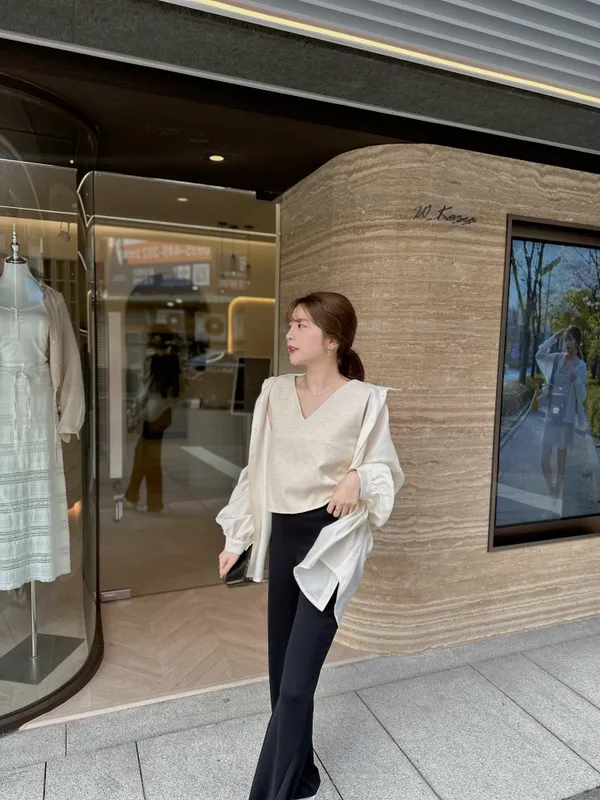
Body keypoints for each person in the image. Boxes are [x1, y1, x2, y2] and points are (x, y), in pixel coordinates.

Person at [216, 291, 404, 800]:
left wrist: (357, 479)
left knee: (298, 682)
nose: (290, 334)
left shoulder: (366, 399)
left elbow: (385, 470)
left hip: (331, 545)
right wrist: (238, 536)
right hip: (284, 539)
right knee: (282, 676)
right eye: (291, 324)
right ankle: (301, 776)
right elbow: (258, 469)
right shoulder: (274, 392)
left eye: (301, 325)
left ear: (333, 338)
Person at [125, 326, 180, 513]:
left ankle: (135, 497)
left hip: (152, 414)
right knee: (148, 457)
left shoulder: (153, 361)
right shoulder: (173, 362)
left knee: (144, 457)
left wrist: (134, 413)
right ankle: (149, 501)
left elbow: (145, 391)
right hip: (163, 414)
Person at [536, 325, 587, 509]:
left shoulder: (581, 366)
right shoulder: (557, 358)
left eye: (570, 339)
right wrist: (553, 338)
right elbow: (539, 354)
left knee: (561, 464)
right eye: (566, 339)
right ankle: (552, 490)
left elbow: (582, 396)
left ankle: (555, 496)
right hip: (551, 416)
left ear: (577, 343)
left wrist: (577, 380)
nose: (567, 343)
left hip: (565, 420)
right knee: (544, 460)